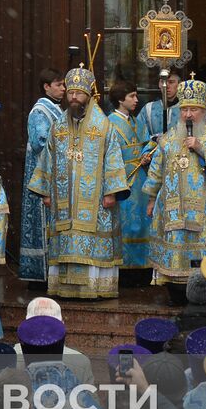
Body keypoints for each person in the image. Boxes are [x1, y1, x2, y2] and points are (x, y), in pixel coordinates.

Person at [29, 66, 130, 300]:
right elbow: (48, 159)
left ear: (89, 95)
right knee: (65, 236)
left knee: (93, 237)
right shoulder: (59, 126)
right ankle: (65, 288)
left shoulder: (104, 126)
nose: (73, 97)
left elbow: (113, 159)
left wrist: (112, 192)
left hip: (96, 201)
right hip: (65, 202)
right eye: (70, 93)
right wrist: (45, 191)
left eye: (79, 93)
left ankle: (94, 288)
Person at [143, 78, 206, 298]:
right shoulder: (170, 137)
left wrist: (201, 148)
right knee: (174, 251)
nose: (188, 115)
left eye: (193, 109)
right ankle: (175, 290)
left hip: (203, 207)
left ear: (203, 110)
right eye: (184, 109)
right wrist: (152, 198)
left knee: (199, 253)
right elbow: (157, 168)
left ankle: (200, 291)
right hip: (170, 206)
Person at [21, 68, 66, 284]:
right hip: (42, 175)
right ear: (47, 87)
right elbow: (40, 143)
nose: (63, 89)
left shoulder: (56, 110)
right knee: (42, 221)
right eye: (59, 85)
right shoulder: (40, 111)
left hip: (55, 174)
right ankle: (40, 274)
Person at [108, 80, 152, 275]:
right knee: (125, 223)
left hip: (140, 179)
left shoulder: (137, 121)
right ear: (120, 99)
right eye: (132, 96)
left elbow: (148, 143)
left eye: (136, 95)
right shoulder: (109, 123)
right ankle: (125, 269)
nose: (136, 100)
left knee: (142, 222)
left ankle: (142, 268)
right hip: (123, 180)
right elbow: (109, 155)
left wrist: (147, 152)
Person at [140, 69, 181, 139]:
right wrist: (154, 139)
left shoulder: (185, 109)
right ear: (159, 84)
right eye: (163, 82)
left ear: (180, 85)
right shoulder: (148, 109)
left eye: (171, 82)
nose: (166, 86)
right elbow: (139, 134)